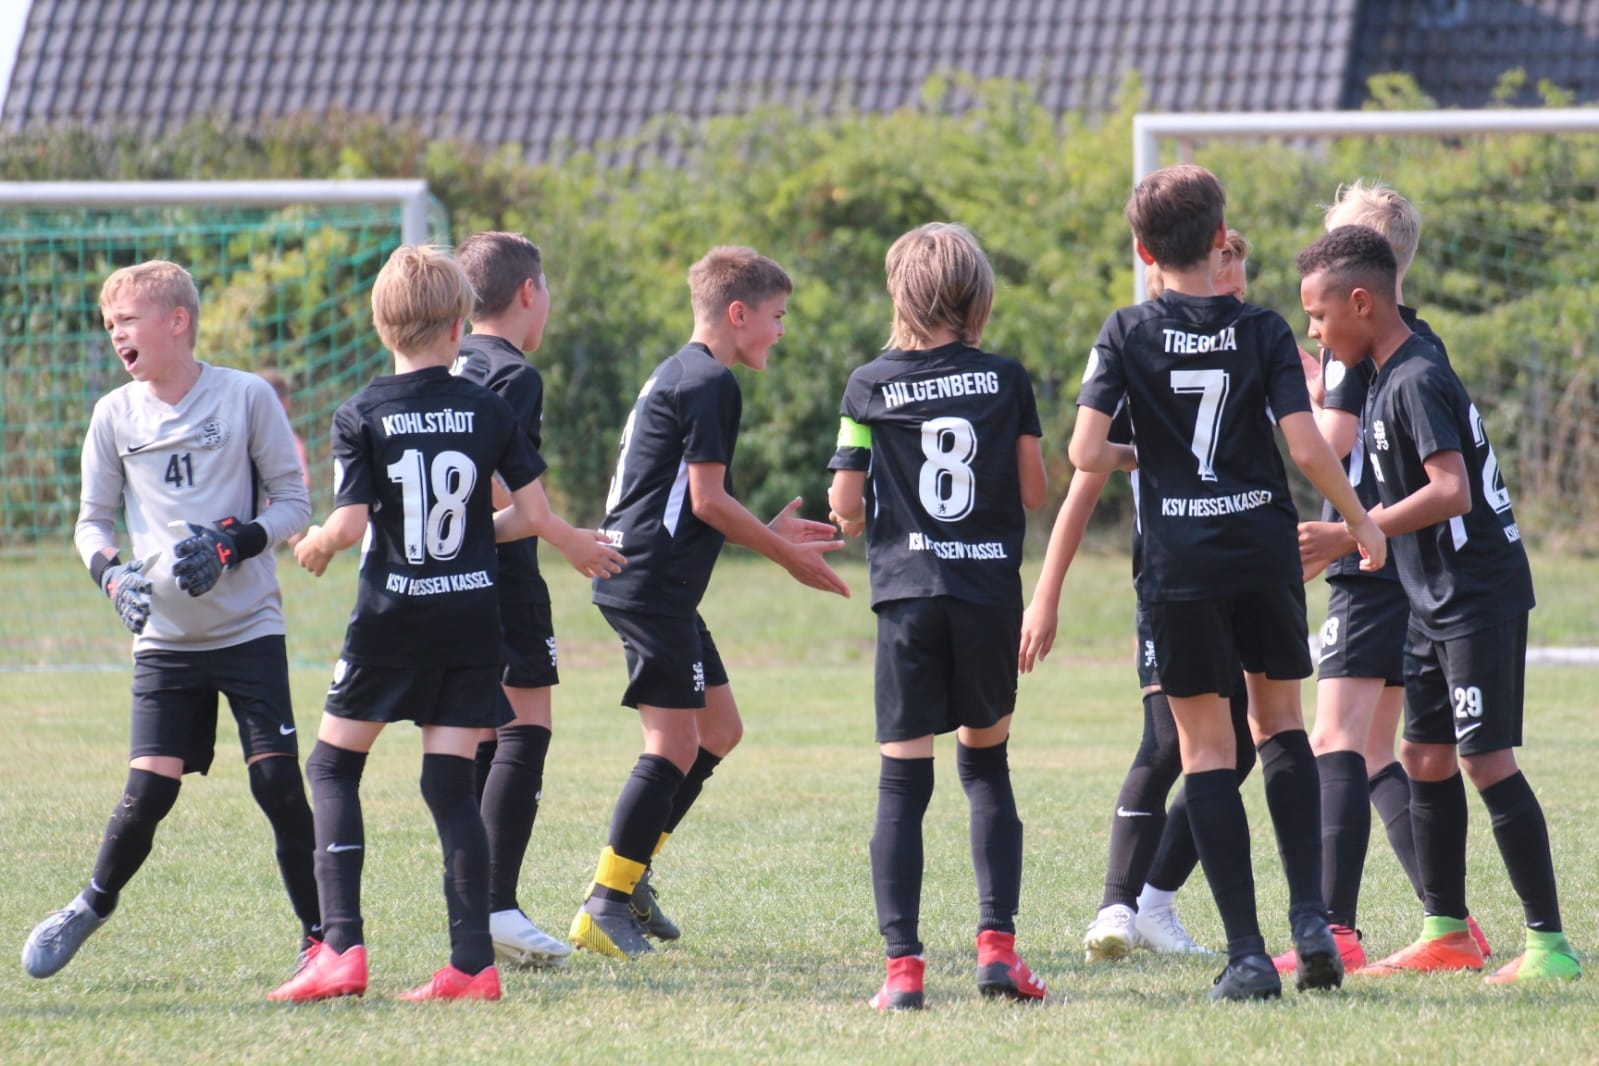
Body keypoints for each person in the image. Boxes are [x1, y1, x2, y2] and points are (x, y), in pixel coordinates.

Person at [267, 245, 624, 1003]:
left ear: (379, 325)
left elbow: (351, 522)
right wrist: (477, 538)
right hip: (471, 619)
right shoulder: (489, 408)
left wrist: (319, 543)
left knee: (332, 768)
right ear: (460, 325)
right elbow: (531, 515)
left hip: (392, 619)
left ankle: (342, 948)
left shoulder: (361, 411)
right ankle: (470, 964)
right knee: (450, 786)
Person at [1071, 164, 1386, 1002]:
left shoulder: (1125, 331)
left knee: (1207, 752)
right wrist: (1358, 520)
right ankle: (1310, 922)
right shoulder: (1263, 329)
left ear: (1143, 251)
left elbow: (1083, 451)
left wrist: (1149, 453)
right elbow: (1306, 446)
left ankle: (1246, 955)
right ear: (1220, 240)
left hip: (1178, 565)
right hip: (1260, 551)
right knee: (1281, 728)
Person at [22, 260, 322, 986]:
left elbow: (293, 502)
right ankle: (90, 905)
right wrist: (110, 574)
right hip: (164, 639)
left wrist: (231, 545)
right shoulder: (113, 415)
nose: (115, 334)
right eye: (109, 325)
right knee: (149, 792)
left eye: (126, 320)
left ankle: (322, 939)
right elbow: (91, 523)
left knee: (279, 785)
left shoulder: (246, 397)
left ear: (177, 321)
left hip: (248, 627)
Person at [1296, 224, 1580, 985]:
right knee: (1421, 756)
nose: (1314, 332)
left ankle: (1549, 945)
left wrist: (1352, 530)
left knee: (1483, 759)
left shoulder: (1417, 376)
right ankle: (1446, 932)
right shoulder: (1380, 375)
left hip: (1475, 593)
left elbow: (1451, 490)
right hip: (1427, 596)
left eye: (1319, 315)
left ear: (1361, 303)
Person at [569, 245, 849, 960]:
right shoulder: (711, 381)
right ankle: (604, 904)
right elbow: (706, 500)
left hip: (653, 580)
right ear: (738, 313)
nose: (781, 331)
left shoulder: (681, 371)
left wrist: (769, 530)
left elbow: (683, 501)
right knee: (673, 744)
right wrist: (782, 552)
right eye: (777, 316)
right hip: (650, 584)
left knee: (719, 730)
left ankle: (630, 873)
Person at [828, 222, 1050, 1010]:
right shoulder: (1006, 379)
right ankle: (997, 954)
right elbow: (1033, 491)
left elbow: (846, 504)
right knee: (985, 771)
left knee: (901, 783)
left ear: (902, 293)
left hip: (908, 597)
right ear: (976, 294)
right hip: (986, 596)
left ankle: (903, 972)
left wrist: (858, 514)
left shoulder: (868, 384)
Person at [1277, 180, 1489, 976]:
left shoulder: (1350, 349)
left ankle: (1332, 928)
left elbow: (1329, 446)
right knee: (1373, 751)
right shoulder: (1413, 338)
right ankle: (1451, 923)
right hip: (1409, 563)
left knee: (1333, 739)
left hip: (1367, 560)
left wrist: (1292, 401)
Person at [1025, 231, 1254, 962]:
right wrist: (1045, 596)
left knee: (1238, 750)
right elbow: (1081, 489)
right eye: (1226, 282)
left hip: (1236, 580)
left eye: (1242, 287)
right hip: (1169, 582)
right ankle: (1117, 908)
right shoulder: (1145, 360)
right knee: (1165, 740)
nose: (1235, 299)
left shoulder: (1248, 349)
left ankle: (1154, 901)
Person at [449, 231, 572, 969]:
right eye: (546, 288)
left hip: (447, 577)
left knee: (482, 736)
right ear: (528, 292)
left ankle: (472, 907)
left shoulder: (448, 359)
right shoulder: (514, 374)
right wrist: (564, 534)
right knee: (526, 728)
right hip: (503, 573)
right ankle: (495, 904)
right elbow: (503, 489)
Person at [257, 367, 311, 489]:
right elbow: (302, 483)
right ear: (285, 403)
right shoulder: (289, 441)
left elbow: (302, 482)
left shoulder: (288, 441)